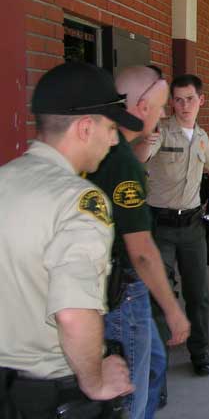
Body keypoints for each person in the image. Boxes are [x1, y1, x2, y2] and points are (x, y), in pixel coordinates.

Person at [0, 62, 136, 418]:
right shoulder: (78, 200)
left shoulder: (5, 179)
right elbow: (73, 312)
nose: (114, 140)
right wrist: (95, 381)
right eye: (111, 128)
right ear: (85, 127)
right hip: (44, 396)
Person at [87, 65, 191, 419]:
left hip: (104, 286)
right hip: (124, 293)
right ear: (143, 106)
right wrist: (173, 310)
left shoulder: (100, 147)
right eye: (161, 107)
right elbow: (142, 251)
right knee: (129, 392)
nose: (163, 115)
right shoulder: (122, 161)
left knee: (154, 364)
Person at [138, 74, 209, 378]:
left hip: (191, 226)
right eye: (178, 100)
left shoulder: (201, 135)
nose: (184, 105)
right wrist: (144, 143)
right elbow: (142, 157)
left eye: (190, 99)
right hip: (160, 225)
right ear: (172, 103)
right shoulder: (161, 131)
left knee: (199, 294)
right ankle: (157, 364)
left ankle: (199, 351)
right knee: (160, 293)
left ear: (201, 100)